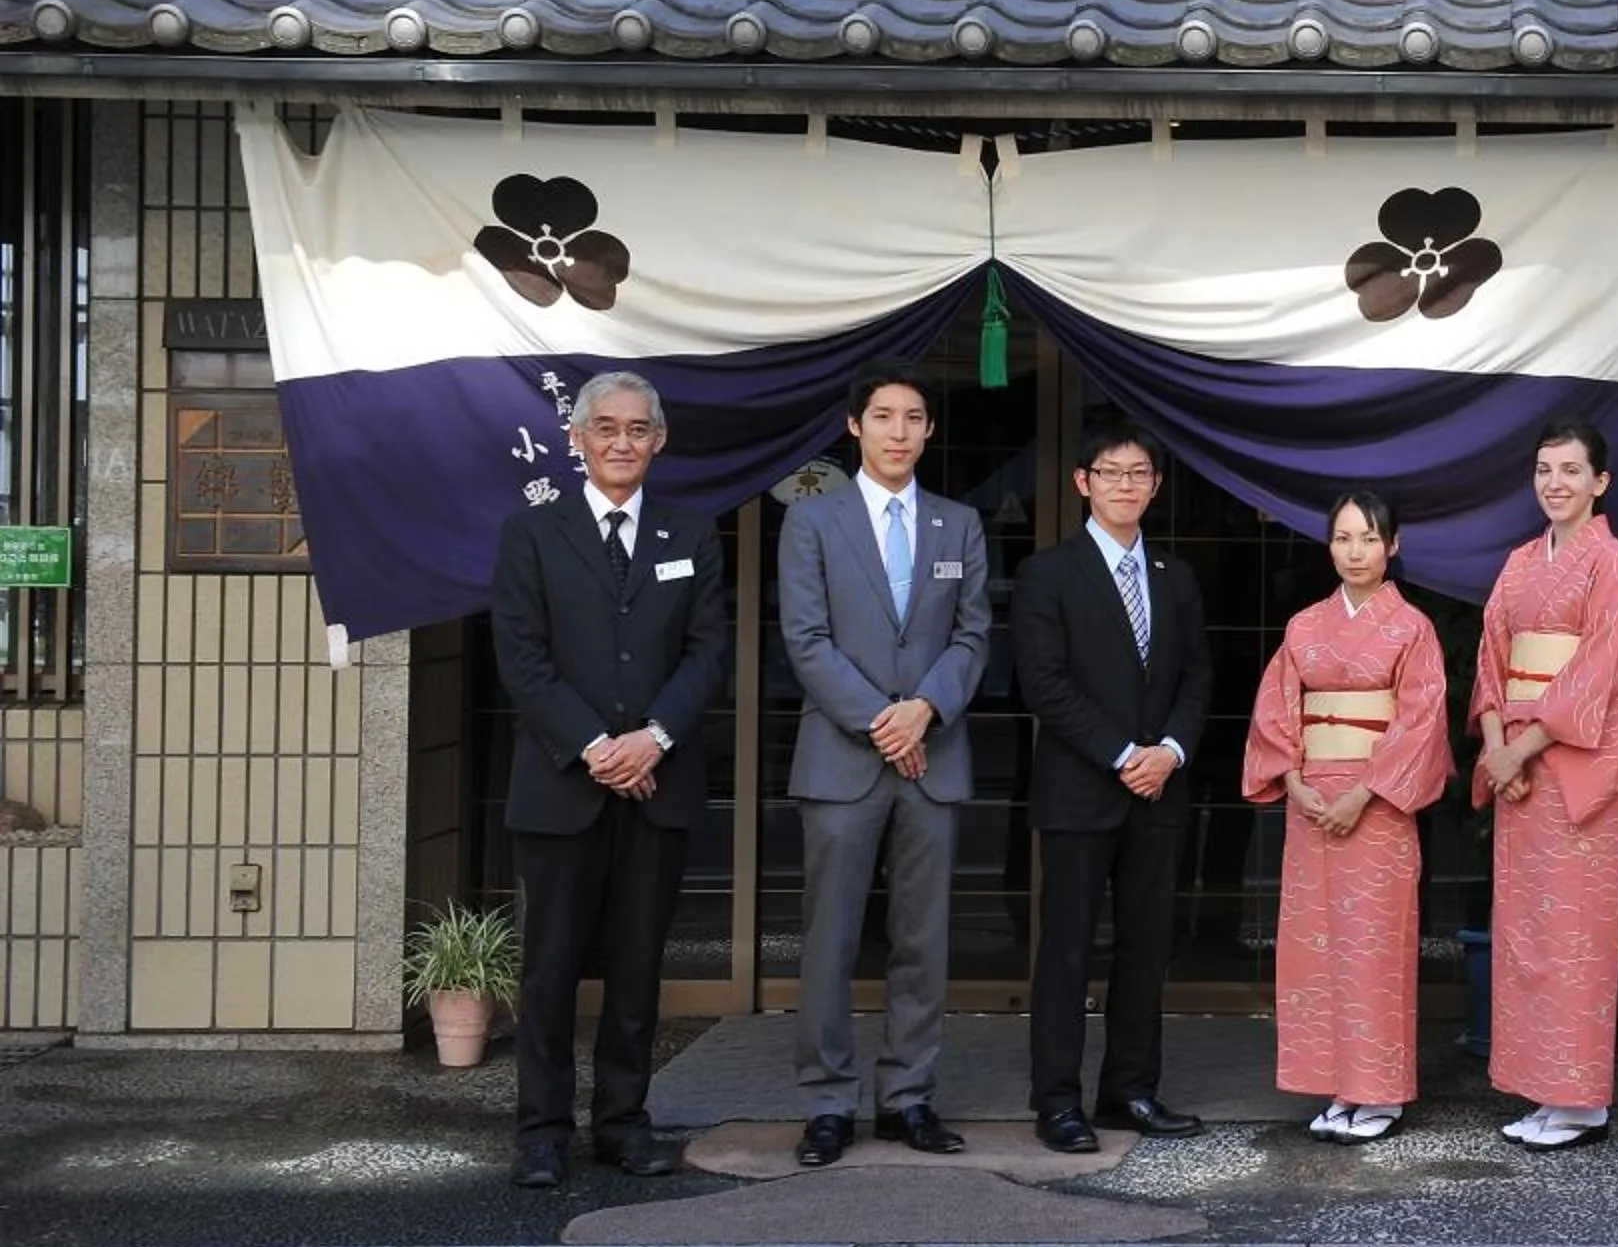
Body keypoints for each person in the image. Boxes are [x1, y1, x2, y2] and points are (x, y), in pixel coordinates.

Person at [489, 370, 730, 1190]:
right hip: (564, 786)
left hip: (657, 785)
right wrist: (597, 745)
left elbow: (708, 653)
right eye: (606, 428)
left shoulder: (690, 535)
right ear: (578, 439)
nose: (622, 441)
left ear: (659, 442)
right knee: (550, 968)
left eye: (638, 429)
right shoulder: (531, 534)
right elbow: (521, 659)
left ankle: (623, 1123)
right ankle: (542, 1132)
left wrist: (653, 739)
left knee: (637, 969)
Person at [778, 362, 992, 1167]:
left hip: (932, 758)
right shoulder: (813, 522)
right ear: (854, 428)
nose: (898, 431)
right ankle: (828, 1103)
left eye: (913, 418)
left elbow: (973, 636)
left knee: (922, 939)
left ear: (930, 431)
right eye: (883, 416)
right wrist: (882, 720)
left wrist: (925, 711)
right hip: (843, 758)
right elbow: (805, 639)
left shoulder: (957, 524)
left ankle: (909, 1094)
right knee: (829, 938)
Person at [1012, 422, 1213, 1154]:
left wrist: (1170, 751)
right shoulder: (1047, 575)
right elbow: (1044, 684)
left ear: (1156, 487)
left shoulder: (1175, 576)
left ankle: (1131, 1089)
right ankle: (1057, 1099)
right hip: (1079, 790)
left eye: (1139, 474)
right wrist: (1125, 752)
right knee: (1066, 948)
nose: (1126, 484)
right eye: (1111, 472)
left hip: (1161, 790)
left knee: (1145, 947)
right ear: (1081, 483)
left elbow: (1197, 675)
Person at [1240, 490, 1453, 1144]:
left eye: (1367, 539)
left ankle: (1379, 1093)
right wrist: (1297, 783)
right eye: (1342, 539)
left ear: (1393, 546)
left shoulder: (1412, 628)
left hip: (1377, 807)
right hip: (1313, 807)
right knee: (1316, 949)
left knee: (1374, 949)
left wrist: (1364, 792)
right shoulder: (1304, 626)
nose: (1355, 552)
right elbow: (1277, 713)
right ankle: (1337, 1086)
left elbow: (1421, 721)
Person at [1472, 420, 1618, 1151]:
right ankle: (1543, 1091)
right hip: (1518, 763)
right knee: (1526, 932)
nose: (1555, 483)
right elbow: (1492, 659)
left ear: (1600, 483)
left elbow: (1605, 672)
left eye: (1571, 471)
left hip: (1571, 766)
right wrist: (1496, 746)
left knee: (1575, 930)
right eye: (1545, 470)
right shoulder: (1519, 563)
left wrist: (1524, 747)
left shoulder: (1612, 564)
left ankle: (1581, 1098)